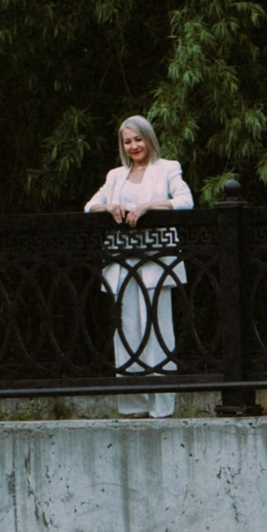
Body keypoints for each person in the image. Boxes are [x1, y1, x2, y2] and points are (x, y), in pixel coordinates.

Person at [87, 115, 192, 411]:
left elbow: (185, 201)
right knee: (127, 329)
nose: (133, 146)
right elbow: (89, 206)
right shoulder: (115, 176)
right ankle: (134, 405)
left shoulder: (168, 168)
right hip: (122, 260)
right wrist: (108, 207)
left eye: (138, 139)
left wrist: (149, 206)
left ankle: (161, 405)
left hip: (156, 259)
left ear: (149, 139)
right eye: (127, 141)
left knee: (157, 328)